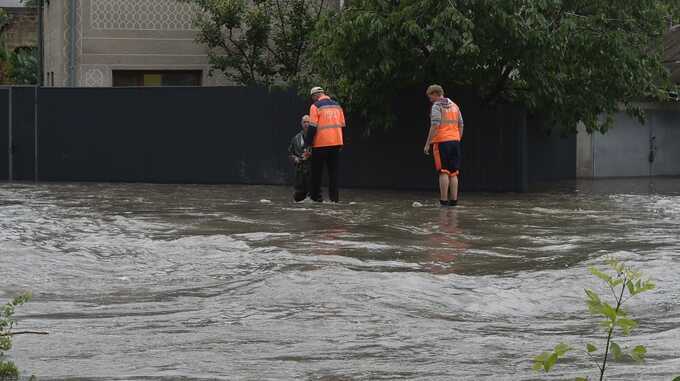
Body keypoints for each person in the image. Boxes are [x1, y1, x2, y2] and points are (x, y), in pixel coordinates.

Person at [423, 84, 464, 207]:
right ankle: (454, 202)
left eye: (430, 97)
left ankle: (443, 201)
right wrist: (457, 138)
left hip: (441, 142)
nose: (430, 100)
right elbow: (461, 125)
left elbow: (435, 125)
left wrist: (427, 144)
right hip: (455, 142)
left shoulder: (436, 106)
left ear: (435, 94)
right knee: (454, 172)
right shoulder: (455, 106)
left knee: (443, 172)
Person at [304, 86, 346, 203]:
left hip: (321, 144)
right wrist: (341, 143)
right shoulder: (337, 106)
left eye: (313, 98)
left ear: (315, 96)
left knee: (316, 173)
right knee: (334, 174)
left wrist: (307, 144)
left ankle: (315, 199)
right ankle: (334, 200)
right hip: (336, 143)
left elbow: (312, 127)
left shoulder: (315, 106)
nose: (313, 100)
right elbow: (342, 126)